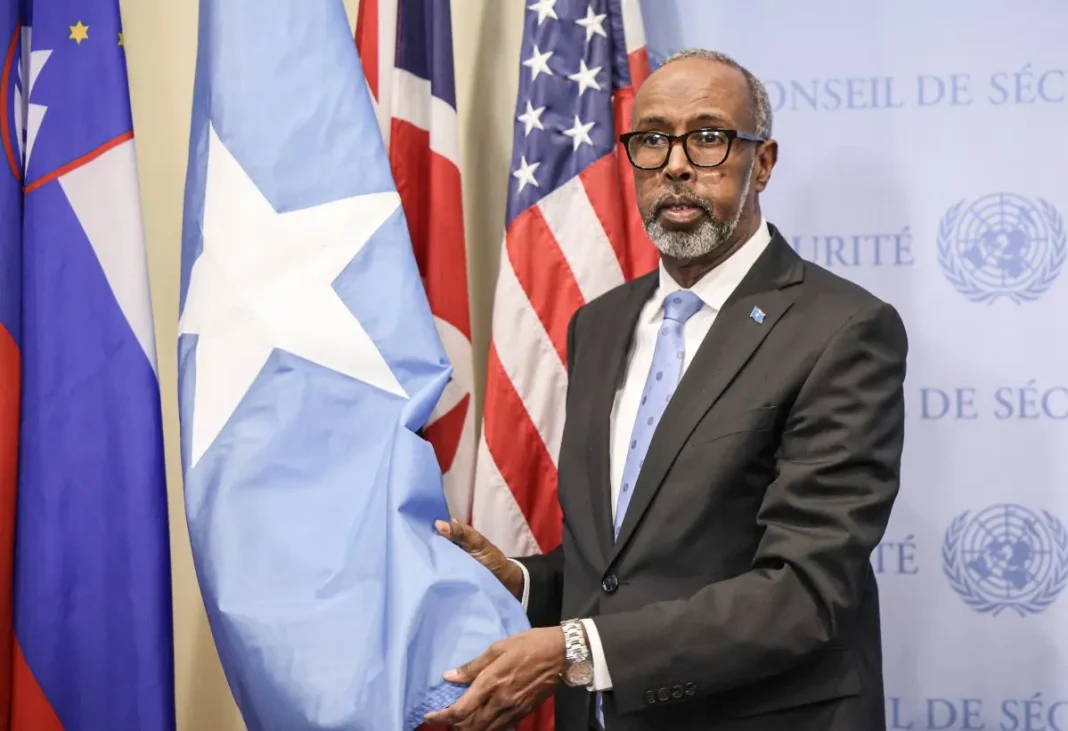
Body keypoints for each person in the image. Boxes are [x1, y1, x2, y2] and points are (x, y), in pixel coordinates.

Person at [424, 48, 908, 731]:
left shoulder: (842, 329)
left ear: (762, 162)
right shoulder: (601, 323)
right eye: (652, 140)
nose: (675, 165)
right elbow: (624, 567)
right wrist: (524, 581)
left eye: (707, 137)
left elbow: (804, 590)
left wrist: (577, 650)